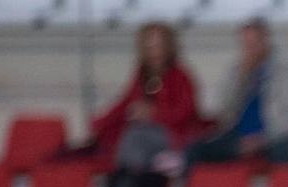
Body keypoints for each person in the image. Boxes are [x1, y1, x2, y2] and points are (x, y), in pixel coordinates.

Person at [78, 22, 207, 175]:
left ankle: (127, 181)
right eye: (149, 44)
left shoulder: (181, 76)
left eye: (158, 44)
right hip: (143, 134)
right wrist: (98, 124)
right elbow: (124, 103)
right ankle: (131, 183)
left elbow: (186, 112)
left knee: (135, 137)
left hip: (172, 135)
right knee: (125, 137)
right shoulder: (141, 75)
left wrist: (153, 114)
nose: (154, 50)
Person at [185, 19, 288, 166]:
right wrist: (241, 79)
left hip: (275, 137)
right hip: (239, 135)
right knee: (196, 150)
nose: (250, 49)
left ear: (265, 40)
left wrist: (261, 139)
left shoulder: (286, 70)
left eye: (254, 43)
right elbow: (222, 107)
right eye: (246, 44)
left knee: (283, 150)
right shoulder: (237, 69)